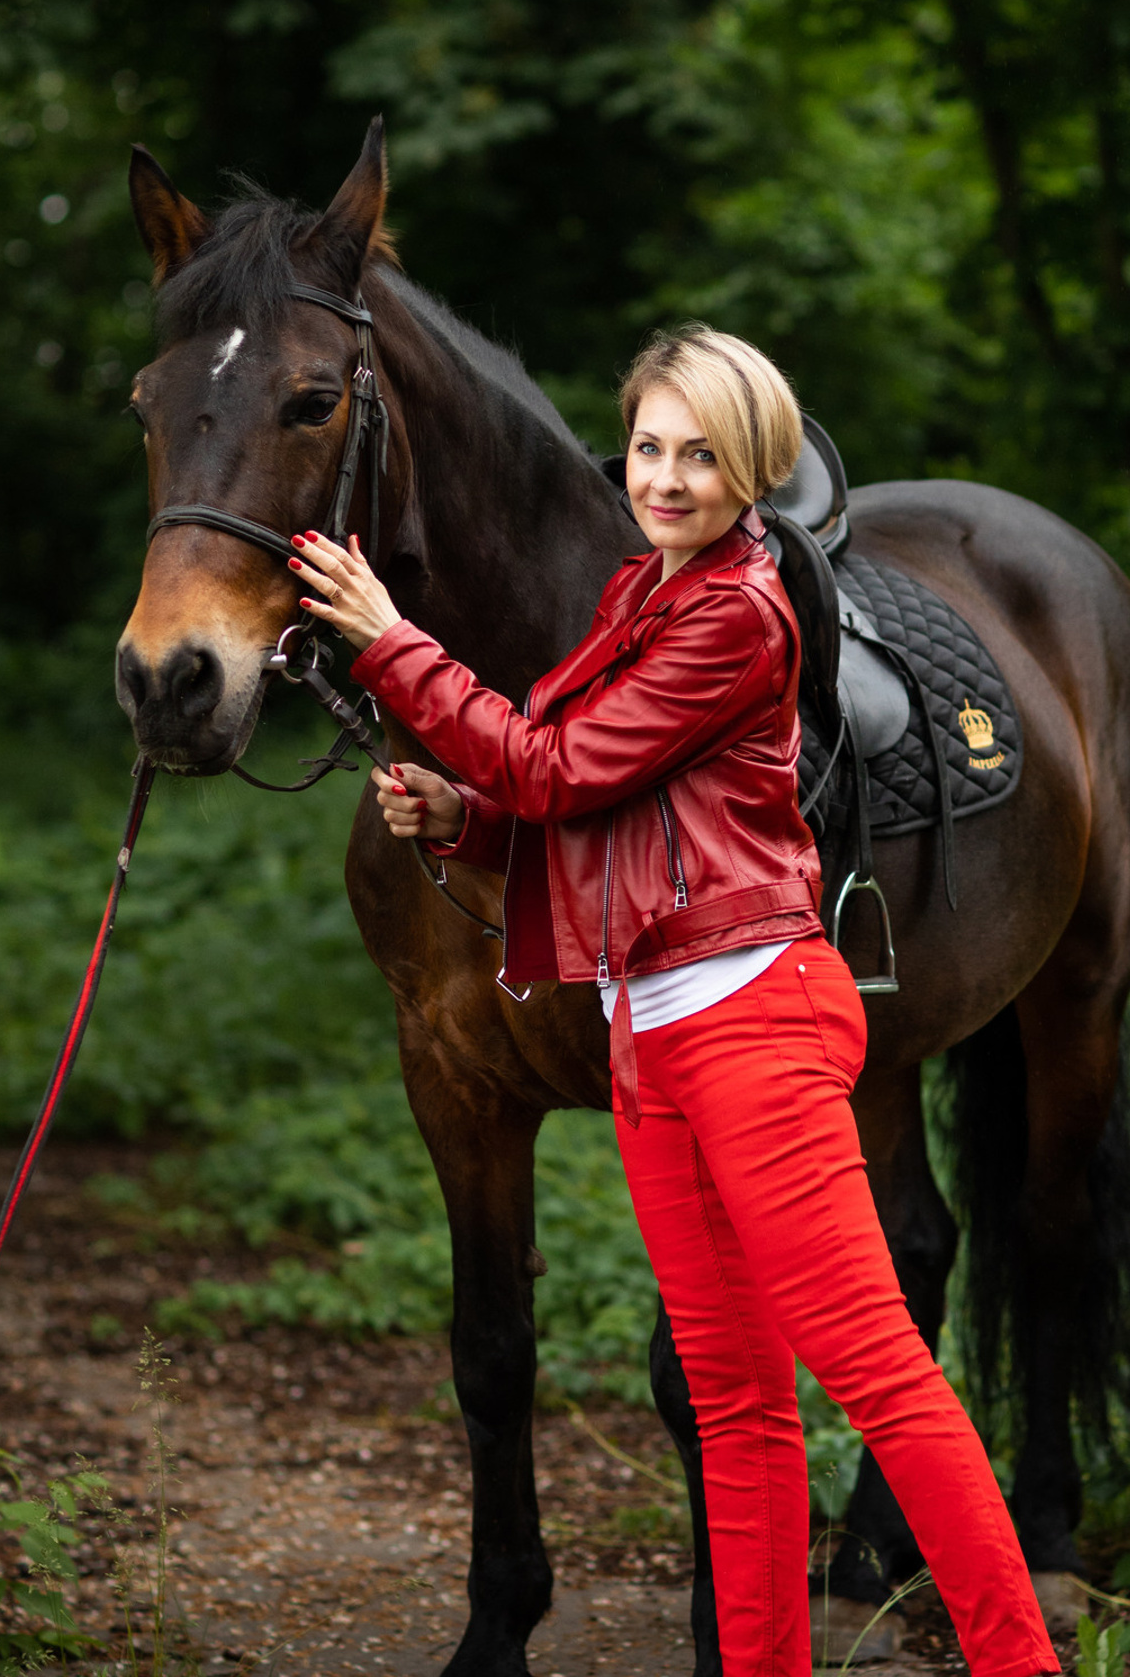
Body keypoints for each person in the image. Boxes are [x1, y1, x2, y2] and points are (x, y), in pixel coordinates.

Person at [288, 325, 1057, 1677]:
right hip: (657, 1031)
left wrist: (391, 645)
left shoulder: (736, 612)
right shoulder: (641, 596)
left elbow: (560, 765)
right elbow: (601, 813)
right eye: (648, 446)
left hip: (753, 1019)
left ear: (752, 467)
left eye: (701, 454)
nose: (665, 476)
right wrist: (460, 815)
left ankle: (1020, 1662)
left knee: (877, 1377)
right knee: (738, 1402)